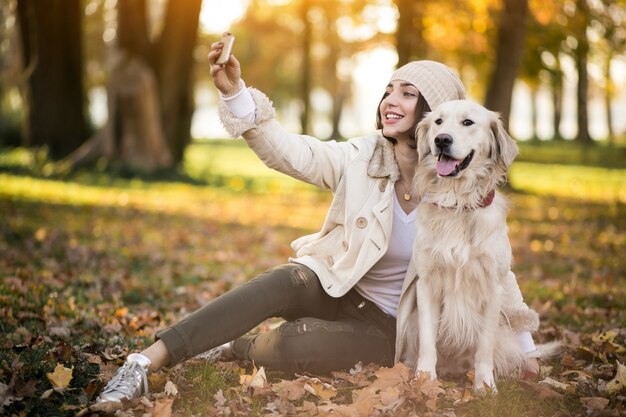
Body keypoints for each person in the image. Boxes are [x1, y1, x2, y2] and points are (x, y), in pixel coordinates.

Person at [96, 37, 541, 403]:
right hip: (337, 283)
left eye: (408, 94)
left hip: (386, 325)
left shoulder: (459, 190)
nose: (390, 101)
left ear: (435, 114)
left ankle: (235, 346)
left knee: (298, 343)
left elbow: (497, 267)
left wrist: (525, 348)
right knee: (278, 282)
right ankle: (143, 363)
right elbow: (293, 153)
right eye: (389, 90)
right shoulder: (361, 156)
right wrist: (236, 94)